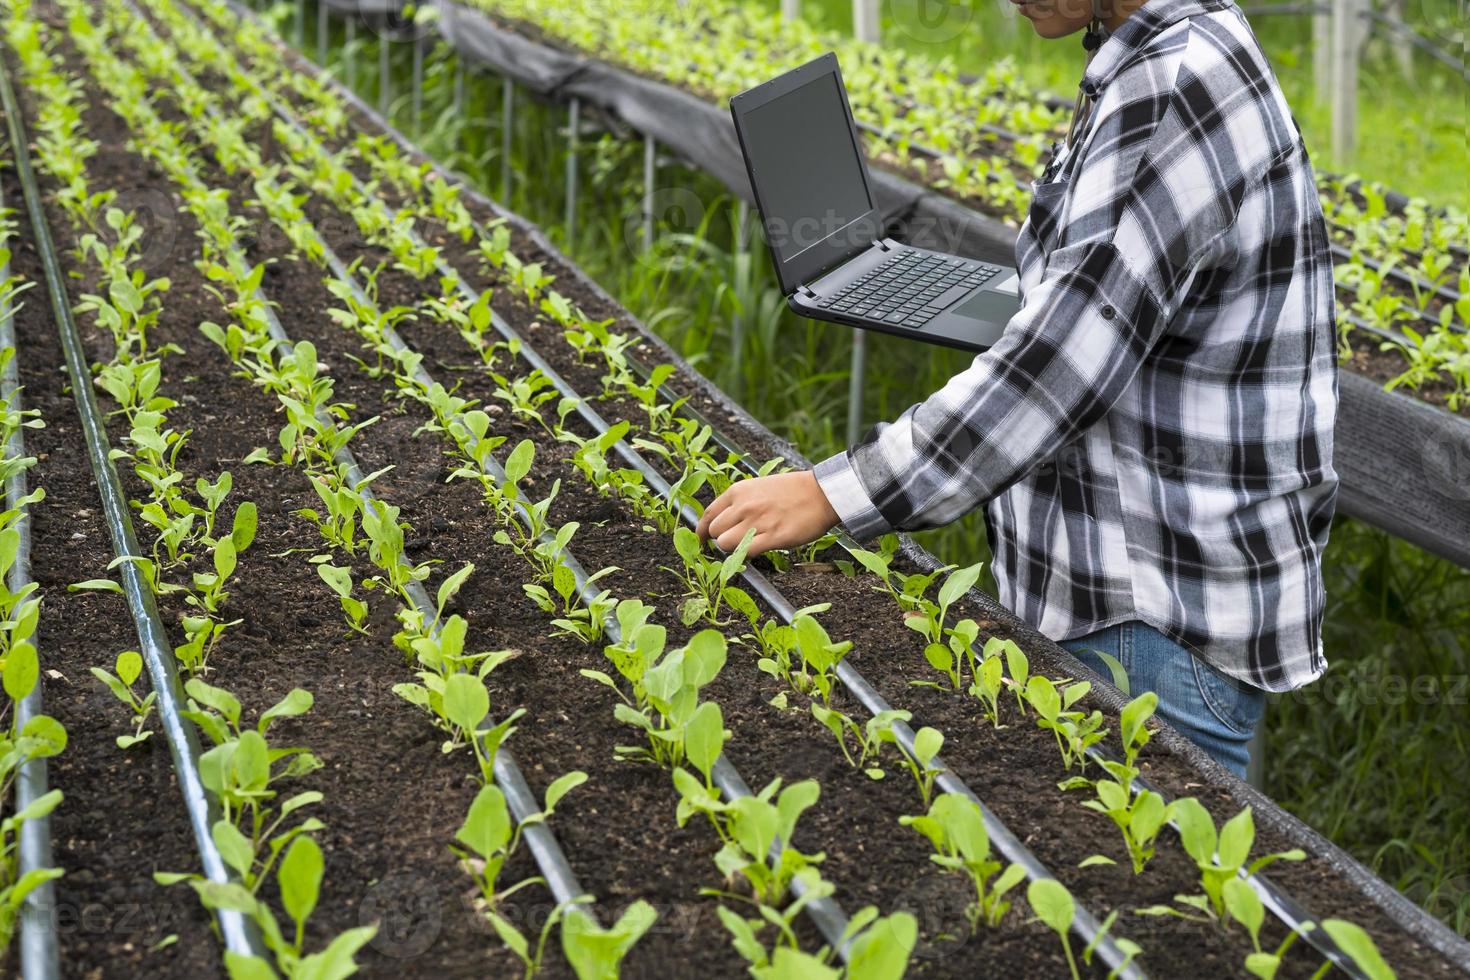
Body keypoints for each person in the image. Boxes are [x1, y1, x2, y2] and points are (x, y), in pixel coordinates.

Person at [696, 0, 1338, 778]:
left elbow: (1053, 377)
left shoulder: (1172, 89)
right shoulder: (1159, 51)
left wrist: (832, 494)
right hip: (1139, 608)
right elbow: (1092, 314)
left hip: (1149, 625)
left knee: (1136, 893)